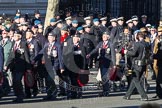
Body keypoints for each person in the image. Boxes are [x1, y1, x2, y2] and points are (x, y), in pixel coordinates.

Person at [33, 32, 64, 100]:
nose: (49, 38)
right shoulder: (46, 45)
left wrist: (61, 67)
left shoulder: (58, 45)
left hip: (55, 64)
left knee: (50, 79)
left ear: (54, 38)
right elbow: (41, 52)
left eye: (51, 37)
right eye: (48, 37)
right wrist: (34, 60)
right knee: (47, 80)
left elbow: (60, 57)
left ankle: (54, 93)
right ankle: (49, 94)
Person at [4, 31, 31, 103]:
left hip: (21, 66)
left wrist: (28, 68)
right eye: (14, 35)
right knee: (14, 82)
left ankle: (20, 96)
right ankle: (17, 95)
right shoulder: (13, 43)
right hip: (13, 66)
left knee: (17, 81)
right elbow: (10, 55)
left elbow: (26, 56)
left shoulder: (23, 44)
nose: (14, 37)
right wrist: (7, 64)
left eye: (16, 35)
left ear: (20, 36)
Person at [87, 32, 116, 96]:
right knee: (103, 77)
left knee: (105, 77)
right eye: (103, 36)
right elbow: (96, 49)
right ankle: (105, 90)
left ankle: (106, 91)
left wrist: (114, 64)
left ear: (108, 37)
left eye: (105, 36)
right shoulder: (100, 43)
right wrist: (90, 54)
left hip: (107, 62)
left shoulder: (110, 44)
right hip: (101, 62)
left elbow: (113, 55)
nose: (104, 37)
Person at [123, 32, 149, 101]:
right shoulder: (147, 44)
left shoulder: (137, 44)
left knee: (135, 80)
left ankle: (144, 96)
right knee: (134, 80)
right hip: (144, 64)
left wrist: (126, 52)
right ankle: (127, 95)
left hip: (137, 64)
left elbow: (133, 53)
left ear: (137, 37)